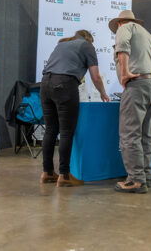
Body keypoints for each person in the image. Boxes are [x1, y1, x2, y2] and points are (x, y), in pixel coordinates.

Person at [40, 30, 110, 187]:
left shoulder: (62, 44)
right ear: (89, 39)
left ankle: (47, 173)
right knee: (66, 132)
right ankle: (64, 175)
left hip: (45, 84)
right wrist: (103, 93)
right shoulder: (87, 46)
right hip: (65, 84)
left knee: (50, 130)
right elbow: (95, 76)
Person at [110, 10, 151, 193]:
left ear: (118, 23)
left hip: (138, 84)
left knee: (130, 134)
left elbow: (122, 45)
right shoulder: (146, 33)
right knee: (147, 134)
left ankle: (135, 180)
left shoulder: (124, 28)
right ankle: (145, 176)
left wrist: (124, 73)